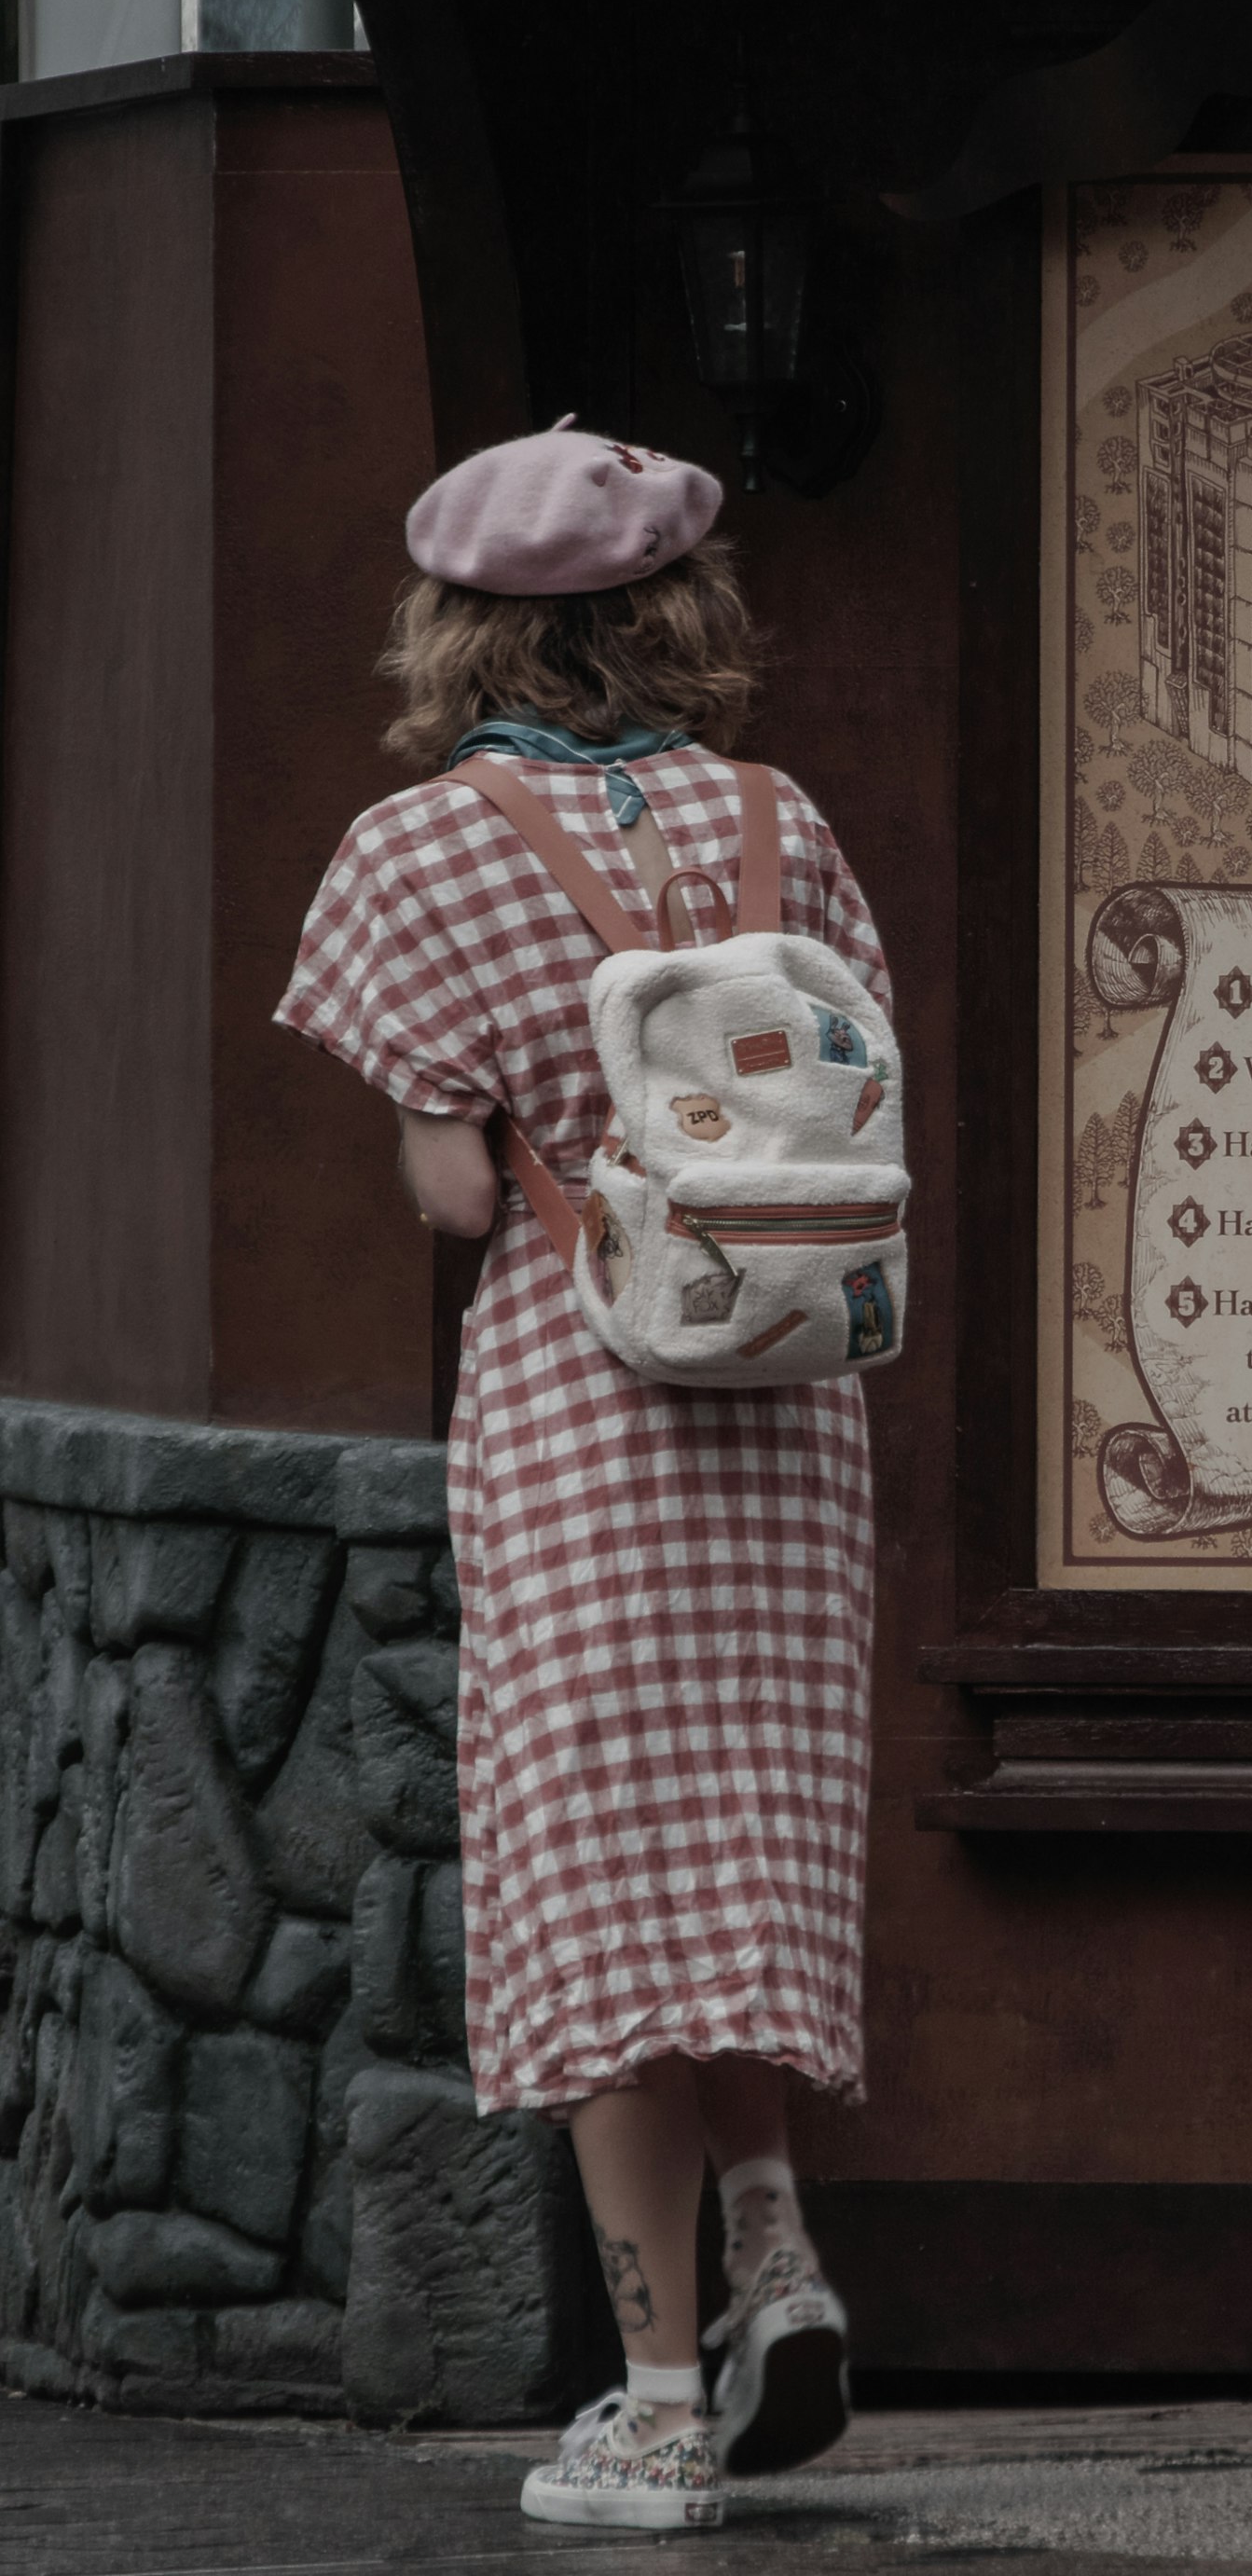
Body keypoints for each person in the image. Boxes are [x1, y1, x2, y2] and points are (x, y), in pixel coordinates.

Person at [276, 423, 887, 2531]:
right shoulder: (773, 819)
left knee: (600, 1885)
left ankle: (648, 2403)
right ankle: (777, 2257)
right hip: (793, 1412)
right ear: (675, 613)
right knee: (732, 1845)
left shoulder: (415, 853)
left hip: (584, 1408)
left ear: (464, 625)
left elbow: (458, 1197)